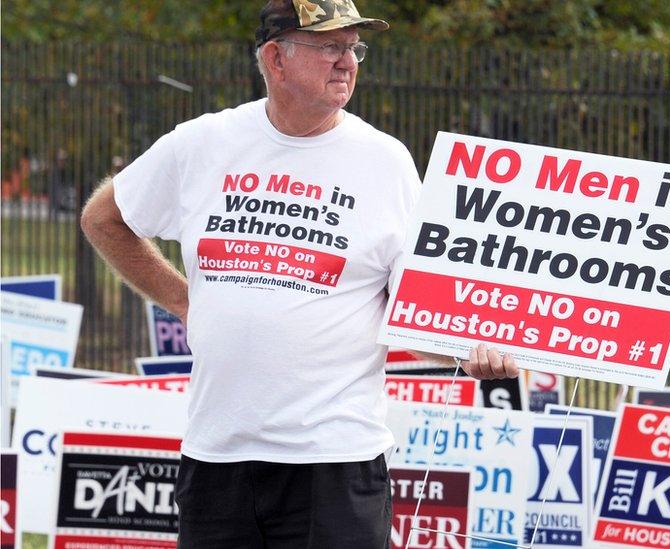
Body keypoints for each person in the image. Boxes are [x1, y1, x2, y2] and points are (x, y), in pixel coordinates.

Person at [80, 1, 518, 547]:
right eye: (329, 46)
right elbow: (103, 218)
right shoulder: (203, 143)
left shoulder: (386, 162)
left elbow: (415, 310)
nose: (347, 62)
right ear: (275, 59)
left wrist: (468, 349)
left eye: (353, 48)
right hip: (218, 457)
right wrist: (184, 301)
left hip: (334, 463)